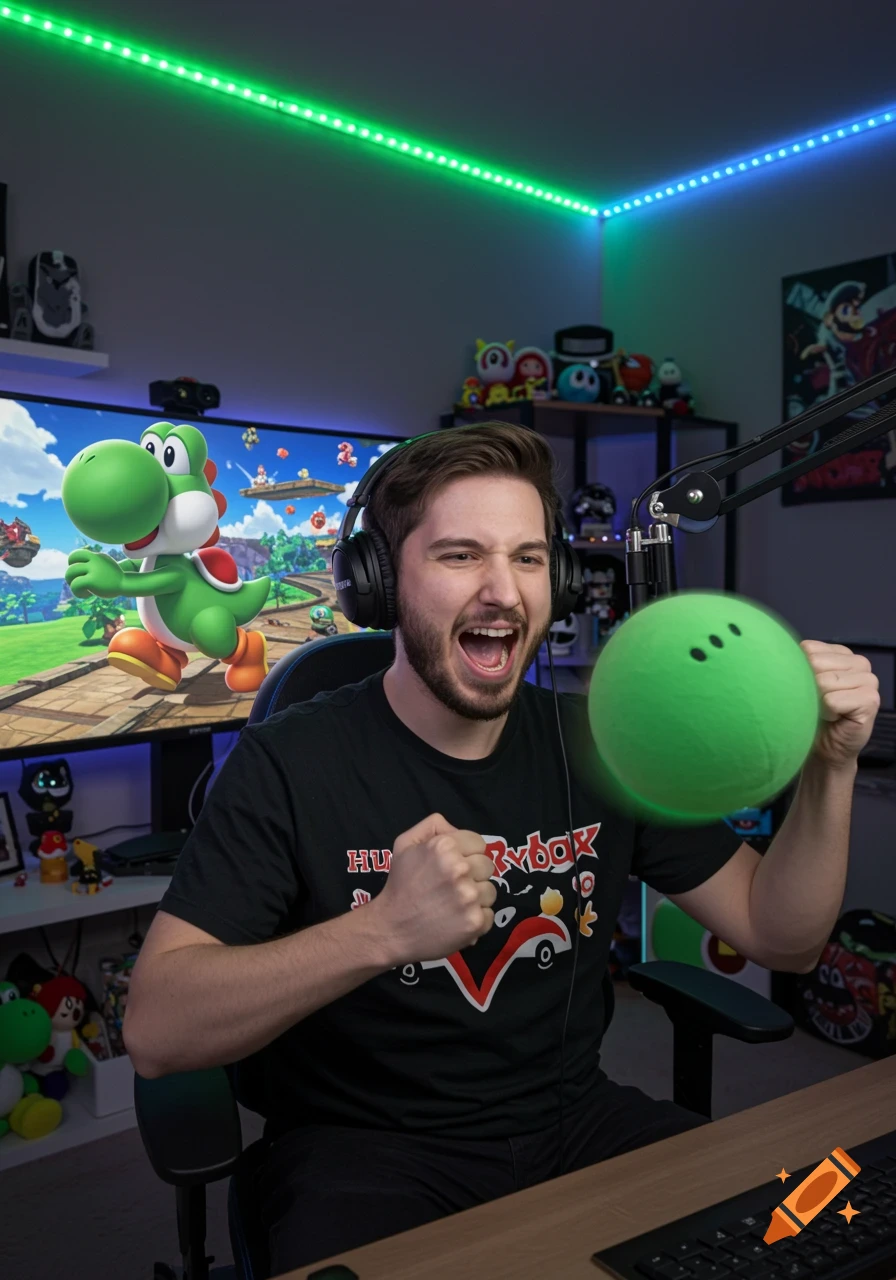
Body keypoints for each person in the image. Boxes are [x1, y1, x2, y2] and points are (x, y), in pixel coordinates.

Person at [124, 422, 875, 1273]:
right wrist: (384, 931)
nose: (504, 593)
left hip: (581, 1124)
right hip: (366, 1156)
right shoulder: (289, 763)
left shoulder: (602, 742)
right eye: (458, 556)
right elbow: (157, 1028)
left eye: (527, 558)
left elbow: (784, 936)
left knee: (800, 1241)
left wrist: (831, 771)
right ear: (376, 584)